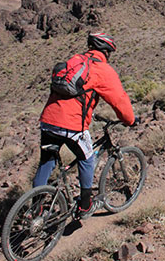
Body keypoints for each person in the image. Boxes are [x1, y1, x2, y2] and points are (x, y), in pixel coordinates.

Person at [32, 32, 138, 220]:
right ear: (106, 52)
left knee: (47, 162)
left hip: (48, 120)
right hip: (72, 126)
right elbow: (119, 100)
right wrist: (129, 120)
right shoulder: (103, 69)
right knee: (87, 159)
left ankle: (36, 209)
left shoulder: (75, 60)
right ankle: (85, 205)